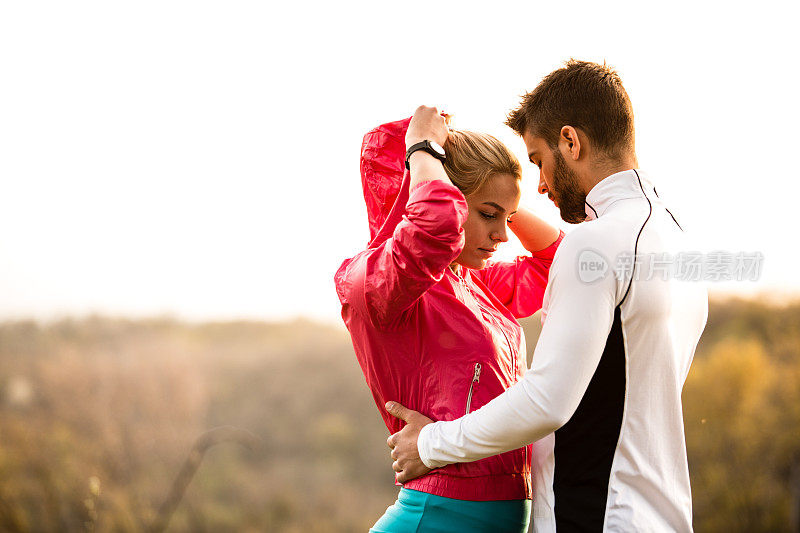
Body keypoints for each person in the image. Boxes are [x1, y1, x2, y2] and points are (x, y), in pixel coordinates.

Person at [386, 60, 709, 532]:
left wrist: (429, 445)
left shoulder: (595, 243)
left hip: (597, 519)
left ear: (570, 142)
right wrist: (492, 199)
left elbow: (547, 401)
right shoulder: (676, 242)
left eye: (538, 159)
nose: (540, 184)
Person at [333, 107, 563, 532]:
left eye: (507, 218)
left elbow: (557, 264)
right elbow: (435, 225)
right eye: (488, 215)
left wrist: (500, 200)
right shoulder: (375, 281)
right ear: (446, 197)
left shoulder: (475, 285)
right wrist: (423, 148)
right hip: (435, 516)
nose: (503, 235)